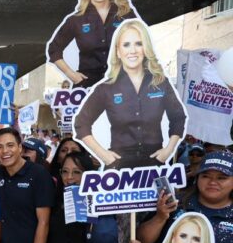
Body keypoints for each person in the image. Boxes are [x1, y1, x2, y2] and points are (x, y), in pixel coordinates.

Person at [74, 19, 187, 169]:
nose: (133, 50)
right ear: (118, 51)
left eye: (138, 44)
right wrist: (103, 155)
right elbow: (81, 123)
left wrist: (169, 150)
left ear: (145, 48)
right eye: (126, 45)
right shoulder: (106, 88)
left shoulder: (161, 83)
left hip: (155, 163)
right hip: (119, 166)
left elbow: (178, 117)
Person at [47, 0, 138, 88]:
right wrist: (71, 75)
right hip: (87, 88)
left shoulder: (126, 15)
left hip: (121, 85)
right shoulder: (76, 19)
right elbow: (54, 49)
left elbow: (143, 45)